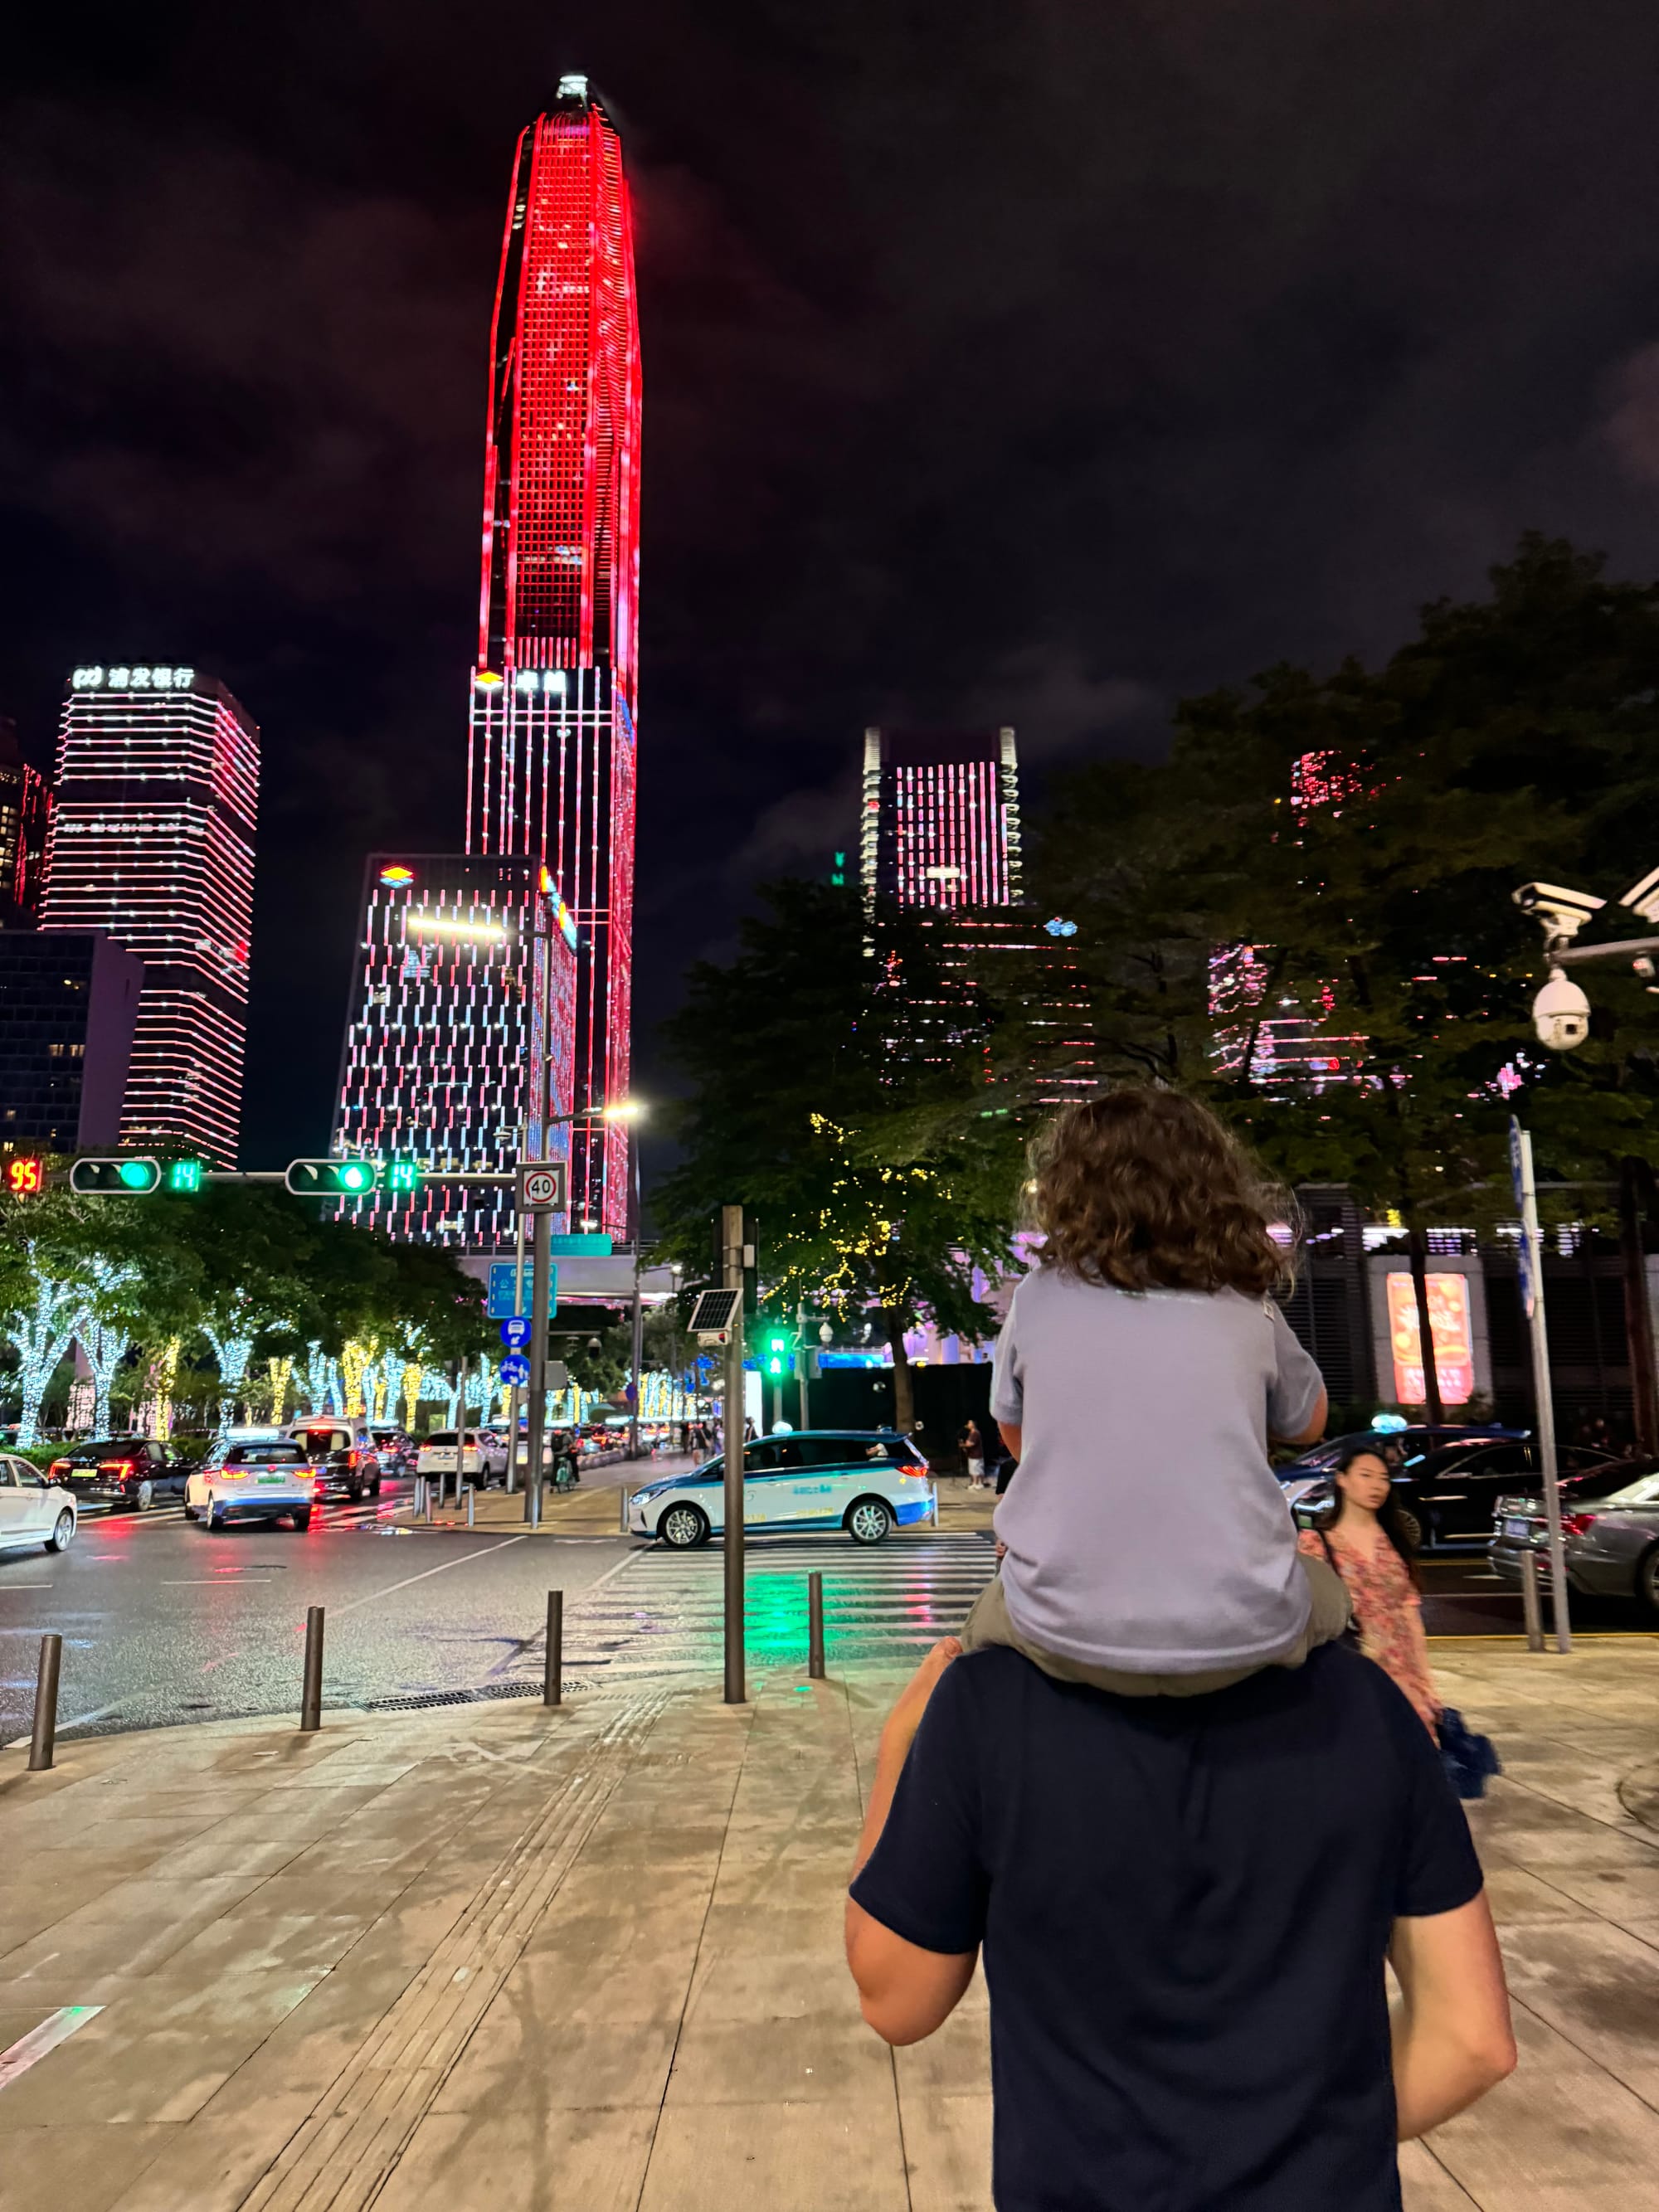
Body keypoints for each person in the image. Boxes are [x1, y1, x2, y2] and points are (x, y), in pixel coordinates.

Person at [846, 1636, 1515, 2210]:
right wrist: (1294, 2141)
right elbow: (1472, 2039)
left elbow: (896, 1999)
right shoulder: (1363, 1699)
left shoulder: (985, 1704)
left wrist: (898, 1745)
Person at [963, 1087, 1348, 1694]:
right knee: (1331, 1593)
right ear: (1215, 1185)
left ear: (1068, 1189)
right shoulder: (1248, 1302)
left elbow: (1016, 1437)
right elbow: (1310, 1423)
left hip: (1061, 1630)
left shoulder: (1035, 1298)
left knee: (977, 1630)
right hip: (1245, 1634)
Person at [1300, 1440, 1441, 1733]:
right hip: (1347, 1674)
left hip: (1402, 1674)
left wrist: (1425, 1681)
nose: (1377, 1485)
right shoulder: (1317, 1544)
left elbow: (1409, 1611)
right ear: (1342, 1480)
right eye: (1365, 1475)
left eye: (1383, 1478)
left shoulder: (1393, 1541)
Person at [960, 1417, 986, 1490]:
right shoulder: (971, 1433)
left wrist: (963, 1445)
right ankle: (975, 1483)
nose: (968, 1424)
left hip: (976, 1455)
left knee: (977, 1469)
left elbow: (971, 1444)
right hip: (972, 1455)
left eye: (969, 1423)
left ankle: (978, 1483)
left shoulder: (975, 1433)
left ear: (973, 1424)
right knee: (973, 1469)